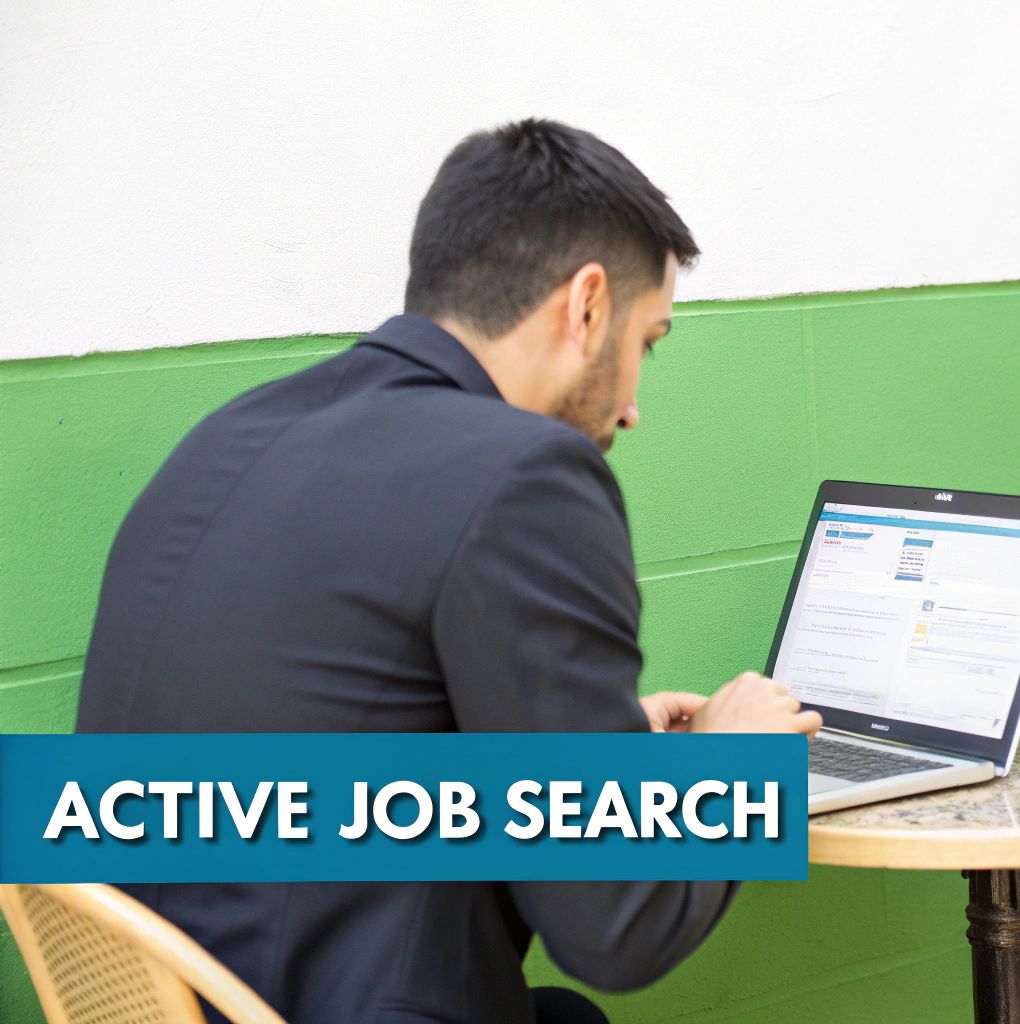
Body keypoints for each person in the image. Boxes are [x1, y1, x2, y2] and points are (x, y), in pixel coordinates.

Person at [76, 119, 820, 1024]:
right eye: (647, 342)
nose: (632, 409)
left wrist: (600, 745)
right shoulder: (528, 474)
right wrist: (734, 769)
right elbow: (618, 929)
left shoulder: (230, 437)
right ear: (586, 305)